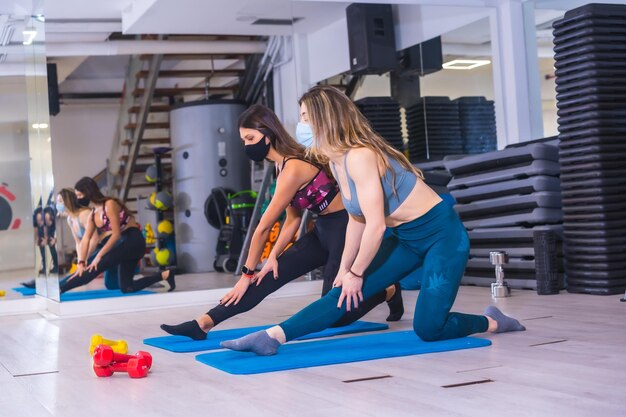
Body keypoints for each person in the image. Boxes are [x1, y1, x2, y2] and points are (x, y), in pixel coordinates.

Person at [221, 86, 526, 356]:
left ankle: (493, 321)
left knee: (428, 329)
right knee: (340, 294)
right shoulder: (336, 160)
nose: (300, 125)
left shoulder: (360, 155)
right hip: (404, 238)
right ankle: (272, 337)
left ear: (324, 119)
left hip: (442, 237)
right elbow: (356, 219)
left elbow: (376, 225)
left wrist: (356, 271)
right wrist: (344, 270)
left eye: (304, 117)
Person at [160, 104, 403, 341]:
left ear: (268, 133)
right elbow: (292, 219)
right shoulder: (281, 165)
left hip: (345, 228)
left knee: (335, 314)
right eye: (244, 140)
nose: (247, 145)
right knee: (266, 277)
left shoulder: (293, 168)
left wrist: (245, 274)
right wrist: (273, 256)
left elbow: (263, 227)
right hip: (322, 230)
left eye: (250, 138)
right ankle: (203, 323)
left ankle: (388, 290)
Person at [59, 177, 175, 294]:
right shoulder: (93, 214)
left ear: (88, 193)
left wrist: (99, 256)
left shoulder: (109, 204)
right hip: (123, 244)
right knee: (127, 288)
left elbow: (116, 235)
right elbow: (85, 239)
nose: (77, 199)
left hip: (133, 241)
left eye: (79, 196)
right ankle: (166, 275)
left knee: (95, 267)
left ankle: (60, 289)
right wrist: (81, 263)